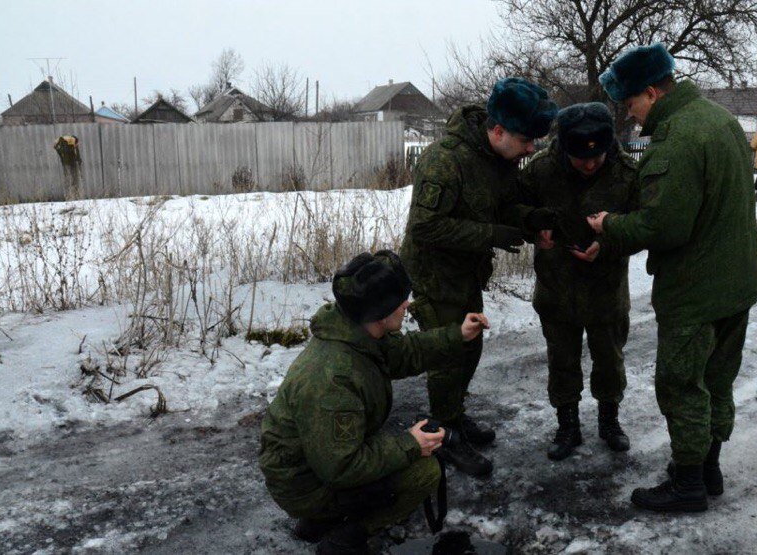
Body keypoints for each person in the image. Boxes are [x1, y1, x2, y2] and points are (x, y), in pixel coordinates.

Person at [592, 43, 757, 512]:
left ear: (651, 92)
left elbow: (664, 226)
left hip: (697, 288)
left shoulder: (680, 136)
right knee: (717, 379)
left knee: (682, 384)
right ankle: (707, 468)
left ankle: (687, 484)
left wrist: (608, 225)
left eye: (631, 104)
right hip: (737, 280)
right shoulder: (719, 118)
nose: (631, 116)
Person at [259, 250, 490, 553]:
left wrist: (457, 334)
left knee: (400, 447)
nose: (407, 304)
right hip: (305, 483)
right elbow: (342, 466)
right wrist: (411, 444)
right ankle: (345, 534)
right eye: (400, 301)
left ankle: (319, 520)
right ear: (380, 311)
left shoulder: (358, 333)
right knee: (425, 472)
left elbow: (406, 352)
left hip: (316, 463)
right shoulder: (334, 378)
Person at [399, 77, 558, 477]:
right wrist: (491, 234)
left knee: (470, 348)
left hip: (467, 272)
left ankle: (454, 413)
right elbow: (425, 226)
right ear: (499, 130)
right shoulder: (444, 160)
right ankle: (443, 433)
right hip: (435, 276)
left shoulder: (498, 159)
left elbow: (503, 207)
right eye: (526, 140)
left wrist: (528, 219)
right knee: (448, 354)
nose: (531, 148)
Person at [517, 102, 639, 461]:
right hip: (557, 288)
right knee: (562, 361)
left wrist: (610, 241)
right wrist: (534, 229)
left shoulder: (628, 174)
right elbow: (514, 210)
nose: (589, 164)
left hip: (607, 289)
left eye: (597, 157)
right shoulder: (540, 171)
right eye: (580, 158)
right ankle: (567, 424)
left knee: (610, 360)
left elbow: (645, 224)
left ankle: (609, 421)